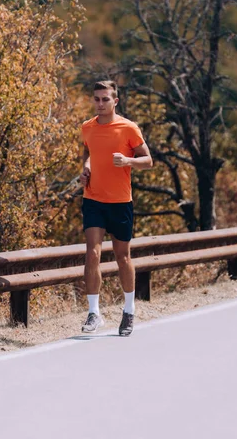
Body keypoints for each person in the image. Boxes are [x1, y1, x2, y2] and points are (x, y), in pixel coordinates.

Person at [79, 80, 153, 336]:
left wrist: (128, 161)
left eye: (105, 99)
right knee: (92, 254)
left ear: (115, 101)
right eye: (97, 99)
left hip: (120, 202)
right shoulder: (87, 127)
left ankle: (129, 310)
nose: (100, 104)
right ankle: (93, 313)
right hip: (94, 199)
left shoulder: (128, 128)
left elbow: (148, 160)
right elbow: (89, 152)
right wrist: (86, 168)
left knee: (123, 258)